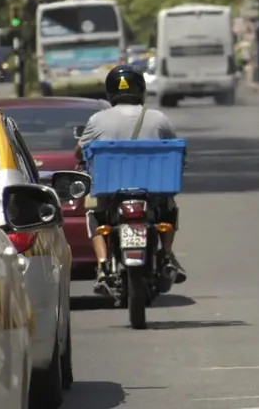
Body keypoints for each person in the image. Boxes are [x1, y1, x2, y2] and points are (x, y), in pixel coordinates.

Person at [75, 64, 187, 294]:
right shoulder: (158, 118)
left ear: (110, 91)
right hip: (154, 190)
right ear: (141, 89)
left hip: (110, 191)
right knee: (170, 208)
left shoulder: (97, 120)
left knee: (93, 213)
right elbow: (176, 150)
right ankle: (166, 255)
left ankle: (104, 265)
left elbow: (79, 152)